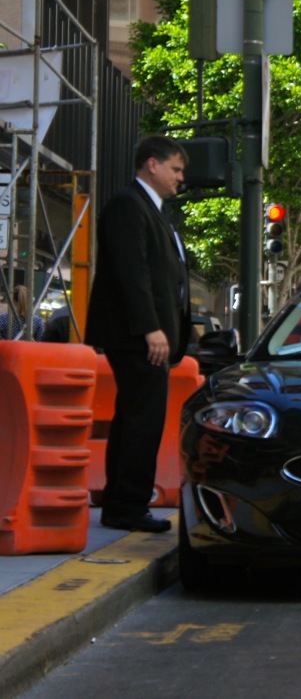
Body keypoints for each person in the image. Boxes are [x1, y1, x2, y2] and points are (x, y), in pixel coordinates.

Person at [85, 136, 191, 533]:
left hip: (146, 334)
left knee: (137, 417)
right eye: (176, 169)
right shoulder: (128, 206)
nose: (181, 178)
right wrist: (151, 328)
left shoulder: (152, 210)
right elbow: (134, 275)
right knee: (141, 418)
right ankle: (128, 505)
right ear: (152, 164)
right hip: (135, 335)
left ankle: (124, 502)